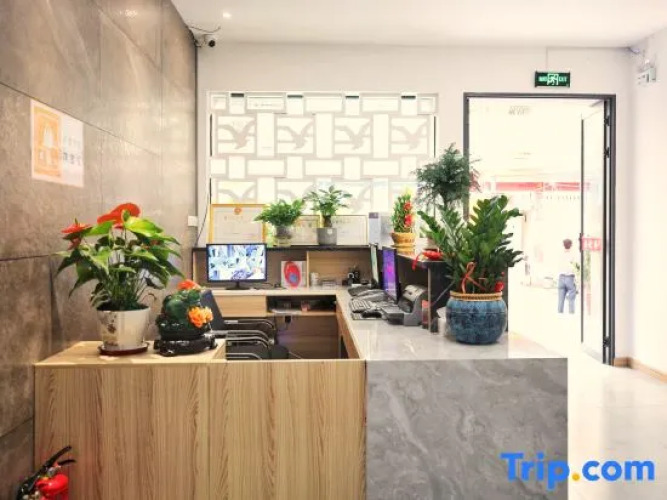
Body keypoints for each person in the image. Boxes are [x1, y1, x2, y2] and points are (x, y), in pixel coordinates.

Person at [557, 239, 577, 314]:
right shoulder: (573, 254)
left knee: (560, 300)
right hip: (569, 278)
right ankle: (571, 315)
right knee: (571, 299)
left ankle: (559, 315)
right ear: (571, 245)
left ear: (563, 245)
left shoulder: (560, 254)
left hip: (561, 278)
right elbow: (576, 267)